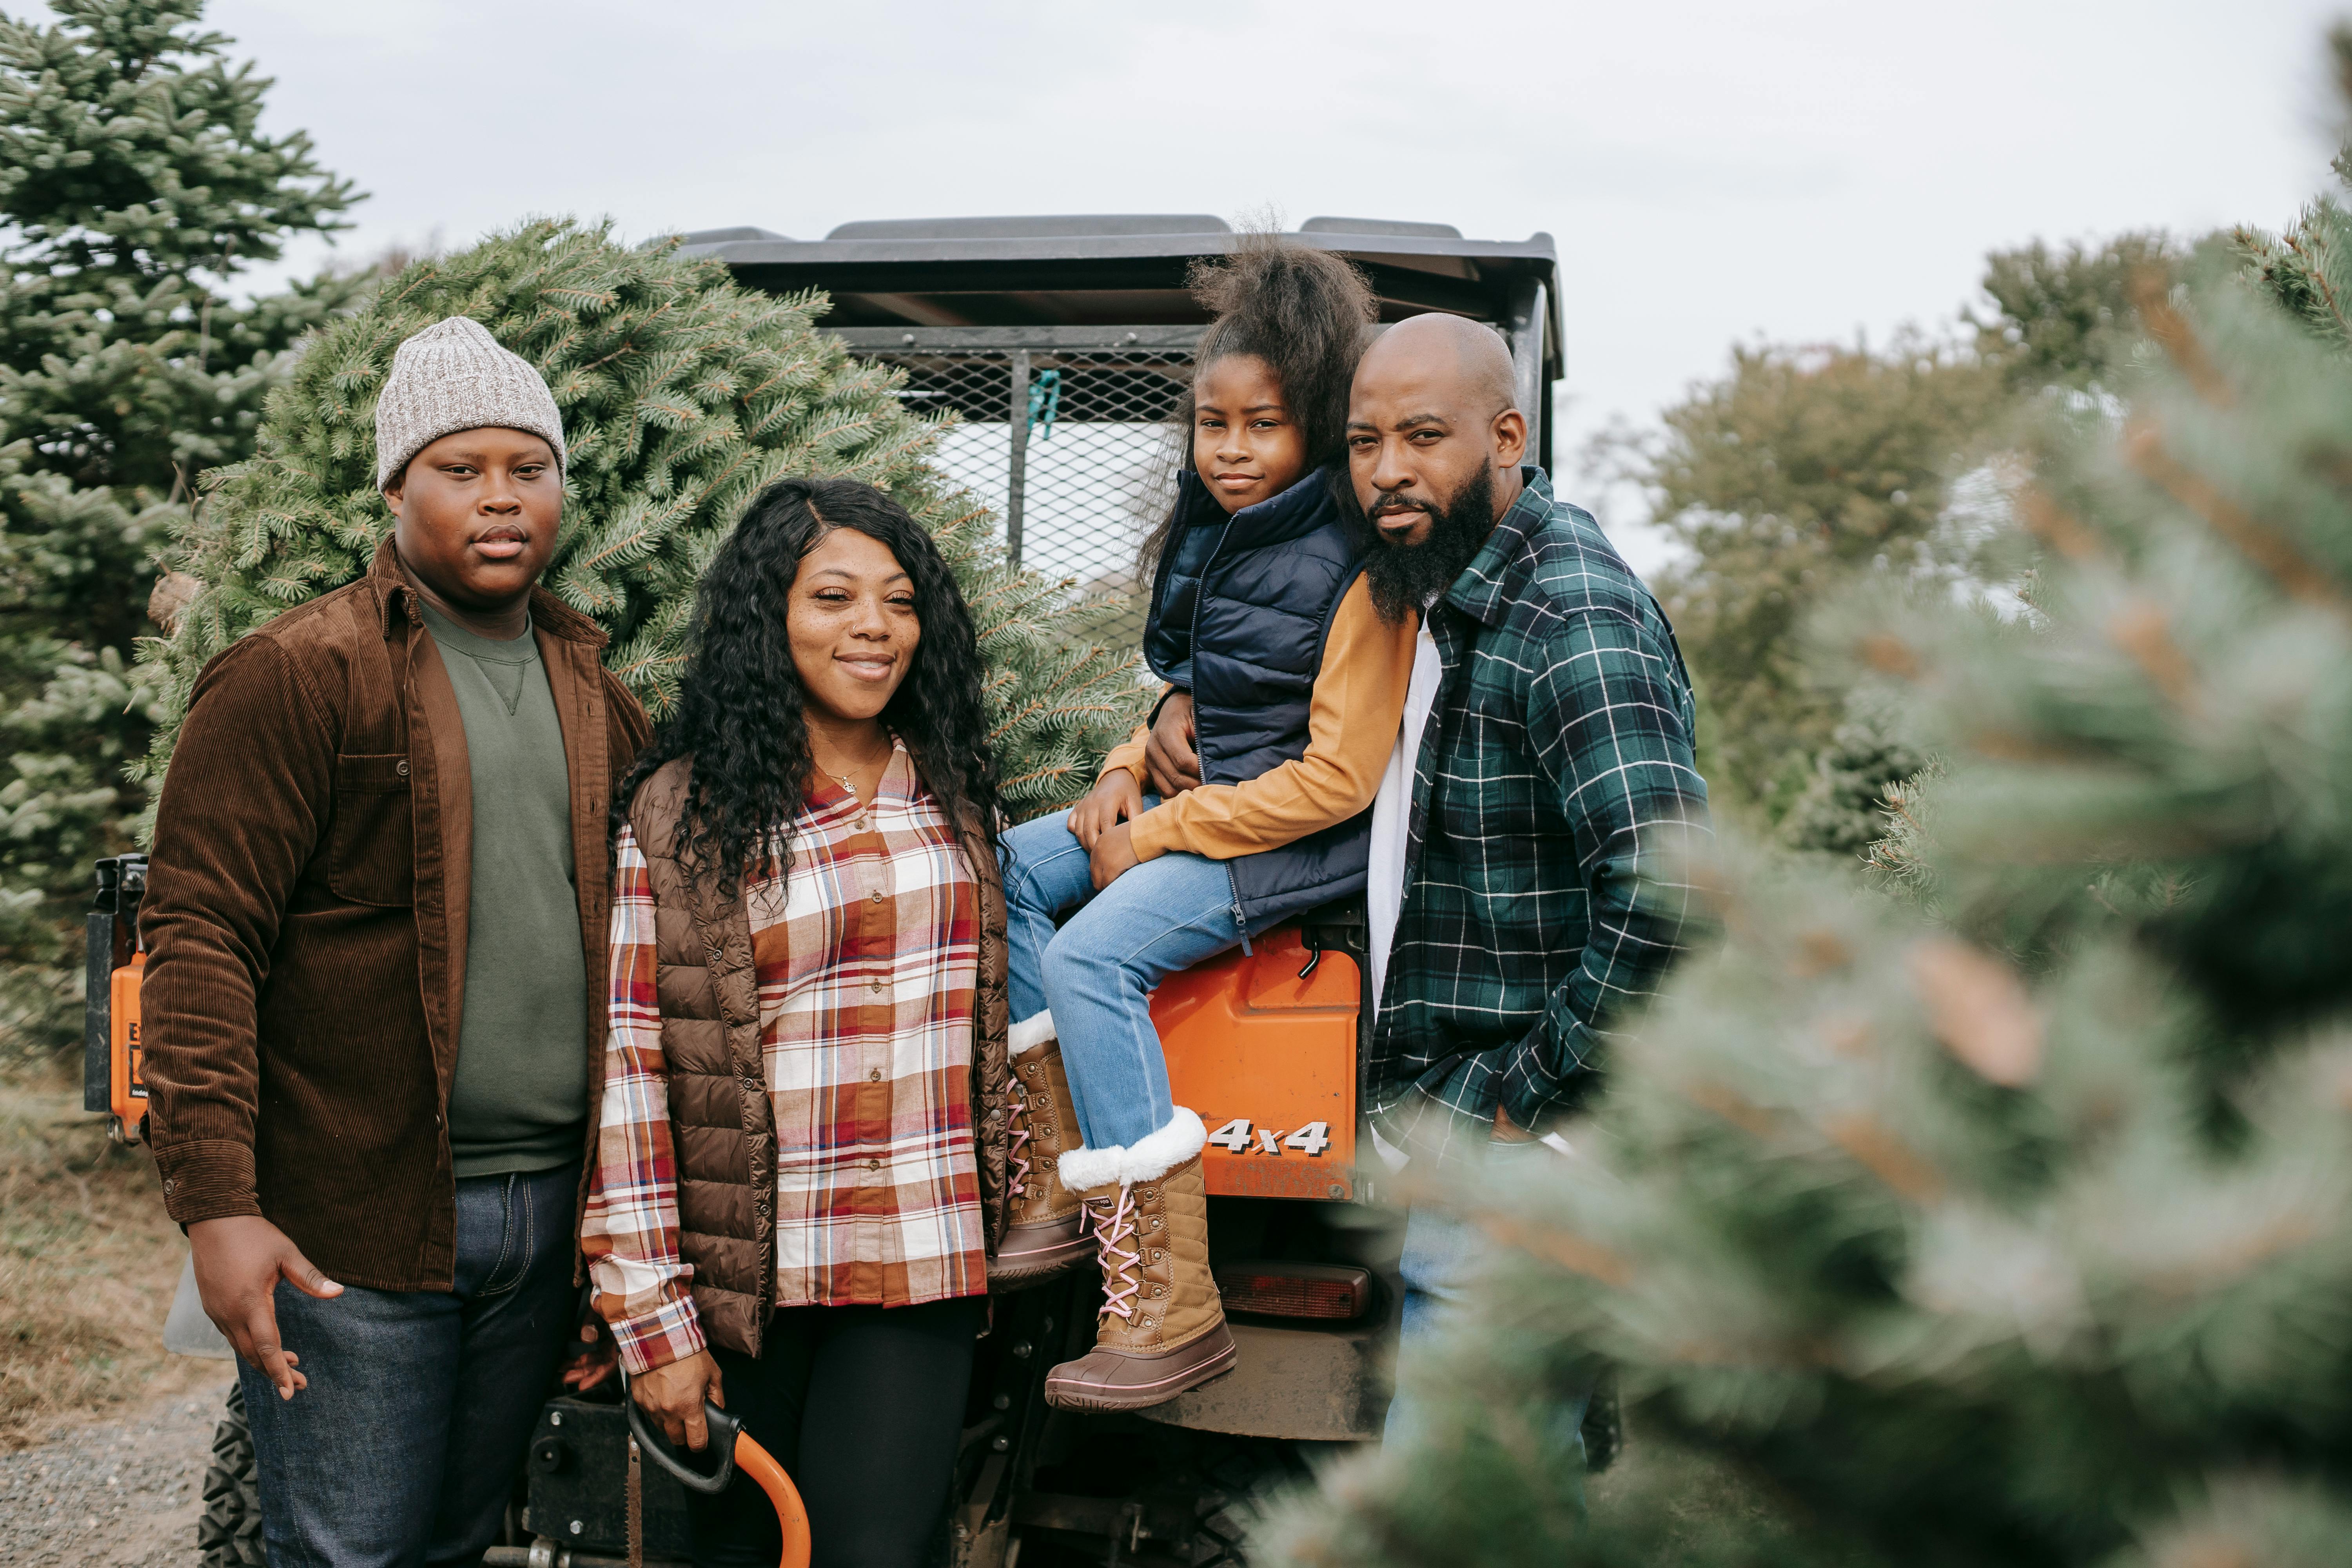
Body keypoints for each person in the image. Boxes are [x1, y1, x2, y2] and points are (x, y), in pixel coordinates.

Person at [140, 316, 653, 1564]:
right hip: (354, 1230)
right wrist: (220, 1207)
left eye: (527, 469)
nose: (499, 499)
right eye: (459, 468)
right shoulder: (297, 675)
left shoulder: (599, 690)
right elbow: (200, 937)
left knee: (457, 1542)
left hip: (546, 1222)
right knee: (346, 1552)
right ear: (394, 486)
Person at [993, 234, 1419, 1412]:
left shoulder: (1357, 568)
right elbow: (1201, 687)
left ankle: (1168, 1303)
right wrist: (1128, 763)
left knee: (1091, 951)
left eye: (1262, 426)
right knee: (997, 870)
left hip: (1288, 842)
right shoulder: (1215, 530)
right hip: (1206, 802)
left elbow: (1340, 778)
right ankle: (1058, 1172)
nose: (1231, 451)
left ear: (1317, 425)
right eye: (1211, 424)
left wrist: (1159, 839)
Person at [583, 477, 1011, 1568]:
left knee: (873, 1555)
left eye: (900, 600)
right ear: (768, 620)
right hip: (749, 1288)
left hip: (919, 1262)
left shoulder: (954, 801)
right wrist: (654, 1324)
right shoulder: (682, 815)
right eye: (833, 597)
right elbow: (632, 1074)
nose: (873, 627)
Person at [1350, 313, 1706, 1447]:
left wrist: (1523, 1092)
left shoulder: (1569, 615)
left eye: (1422, 436)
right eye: (1364, 443)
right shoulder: (1458, 597)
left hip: (1517, 1160)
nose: (1388, 471)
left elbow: (1672, 885)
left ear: (1508, 435)